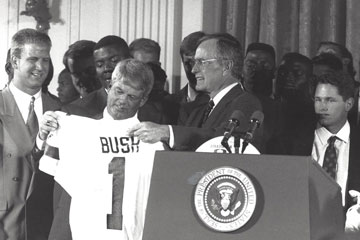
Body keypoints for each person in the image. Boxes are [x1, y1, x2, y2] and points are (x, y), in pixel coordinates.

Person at [39, 59, 164, 239]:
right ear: (108, 87)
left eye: (132, 96)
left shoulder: (155, 141)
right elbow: (54, 189)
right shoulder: (77, 129)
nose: (122, 101)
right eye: (119, 91)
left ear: (143, 100)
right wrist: (44, 134)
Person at [128, 33, 262, 152]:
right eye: (193, 63)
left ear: (226, 66)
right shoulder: (199, 109)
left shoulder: (246, 102)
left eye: (201, 62)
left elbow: (226, 140)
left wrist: (168, 132)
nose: (193, 70)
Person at [0, 28, 61, 240]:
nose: (41, 67)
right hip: (6, 225)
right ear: (14, 62)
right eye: (33, 59)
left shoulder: (63, 110)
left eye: (45, 60)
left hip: (47, 226)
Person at [311, 71, 360, 234]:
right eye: (318, 100)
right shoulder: (291, 142)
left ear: (349, 104)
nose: (322, 107)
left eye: (330, 100)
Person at [271, 52, 316, 155]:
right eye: (283, 73)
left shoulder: (318, 117)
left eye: (297, 74)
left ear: (311, 80)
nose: (288, 78)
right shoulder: (265, 110)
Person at [242, 42, 282, 153]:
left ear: (274, 71)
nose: (257, 69)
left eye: (265, 65)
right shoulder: (232, 102)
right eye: (251, 64)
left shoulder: (282, 109)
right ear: (241, 68)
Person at [166, 31, 210, 125]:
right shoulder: (167, 104)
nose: (193, 69)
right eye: (188, 63)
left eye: (200, 62)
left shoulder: (221, 103)